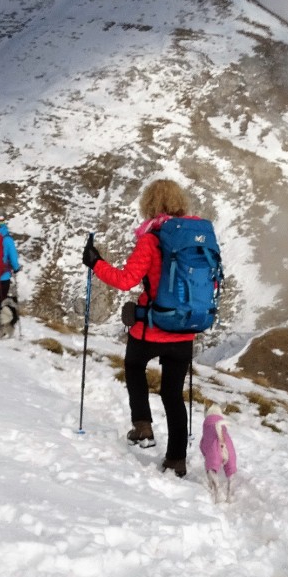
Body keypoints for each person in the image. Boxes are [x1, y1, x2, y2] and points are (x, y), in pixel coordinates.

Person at [83, 179, 198, 477]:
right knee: (173, 395)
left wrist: (96, 263)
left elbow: (125, 280)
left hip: (152, 326)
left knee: (134, 366)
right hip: (185, 329)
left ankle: (143, 426)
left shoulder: (151, 240)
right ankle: (176, 460)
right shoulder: (198, 239)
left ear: (149, 205)